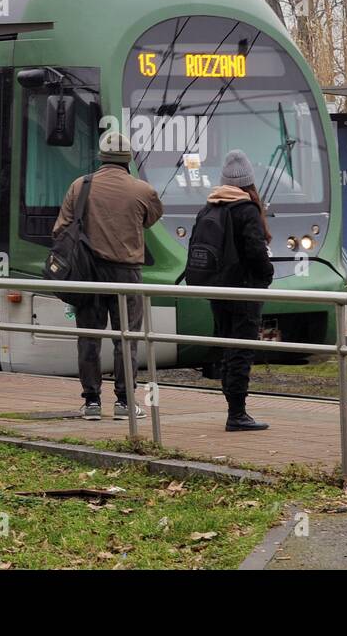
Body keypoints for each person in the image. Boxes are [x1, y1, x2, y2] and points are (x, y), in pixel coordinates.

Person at [53, 129, 164, 420]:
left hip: (87, 273)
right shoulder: (143, 190)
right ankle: (125, 403)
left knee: (89, 337)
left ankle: (91, 402)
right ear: (128, 159)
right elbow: (151, 219)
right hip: (126, 274)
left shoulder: (80, 186)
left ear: (101, 157)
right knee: (126, 338)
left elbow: (60, 229)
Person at [189, 150, 274, 432]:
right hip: (244, 290)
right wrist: (267, 275)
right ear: (250, 182)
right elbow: (255, 250)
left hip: (217, 289)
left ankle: (234, 409)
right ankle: (237, 414)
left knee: (229, 347)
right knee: (242, 350)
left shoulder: (210, 207)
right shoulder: (246, 209)